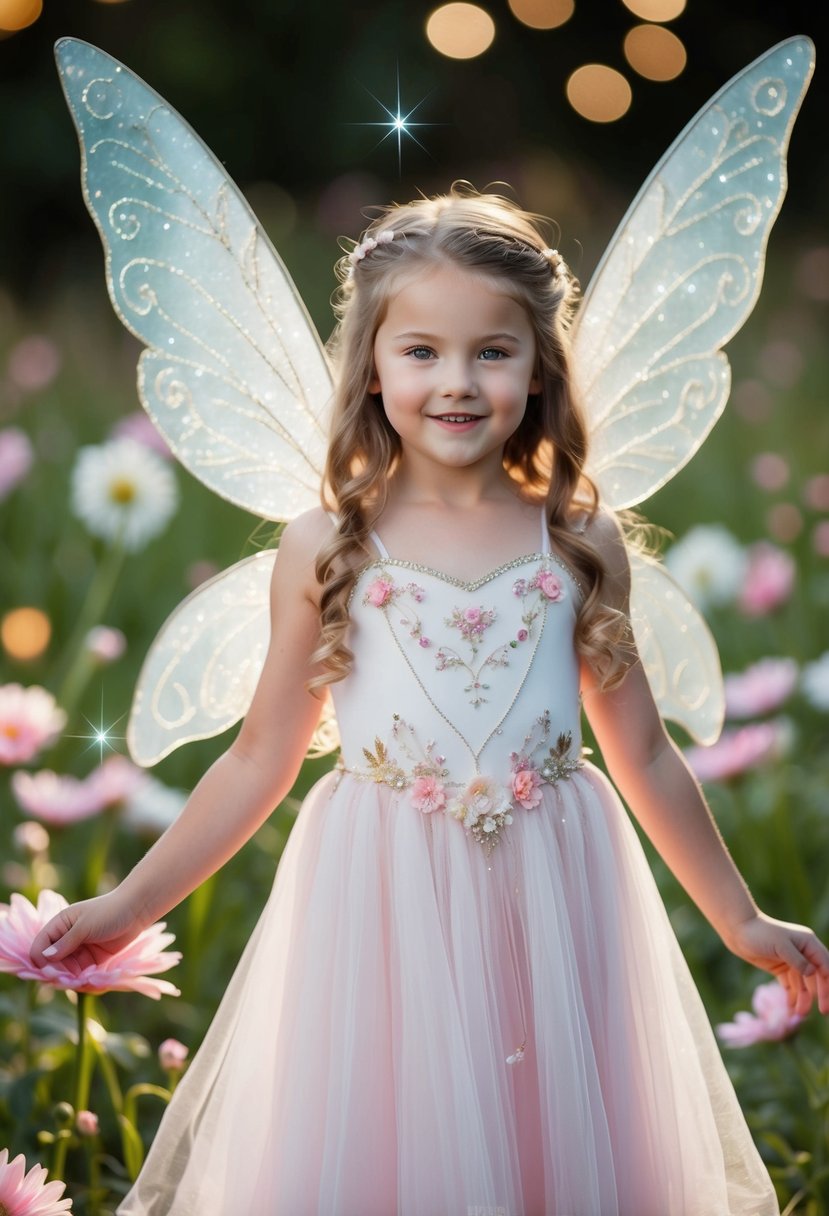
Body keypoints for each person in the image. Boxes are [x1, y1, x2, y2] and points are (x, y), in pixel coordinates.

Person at [31, 188, 829, 1215]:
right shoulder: (326, 546)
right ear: (371, 364)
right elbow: (256, 757)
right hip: (380, 906)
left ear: (539, 366)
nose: (456, 382)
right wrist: (127, 905)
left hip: (556, 901)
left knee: (557, 1151)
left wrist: (737, 913)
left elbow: (645, 753)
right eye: (421, 352)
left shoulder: (578, 542)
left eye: (492, 351)